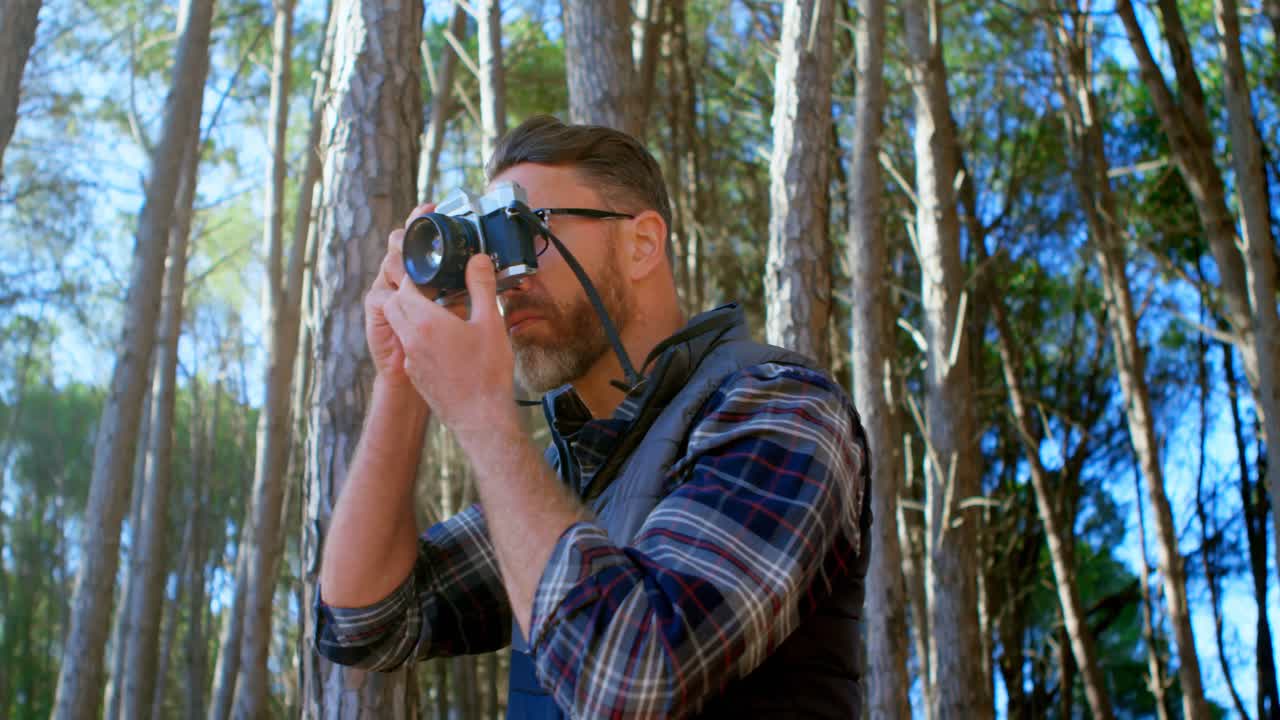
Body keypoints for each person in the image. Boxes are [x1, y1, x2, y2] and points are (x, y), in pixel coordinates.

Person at [314, 115, 872, 718]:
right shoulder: (568, 474)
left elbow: (631, 681)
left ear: (641, 245)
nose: (506, 281)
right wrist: (401, 378)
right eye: (493, 247)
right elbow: (364, 620)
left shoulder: (781, 408)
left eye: (526, 231)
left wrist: (481, 412)